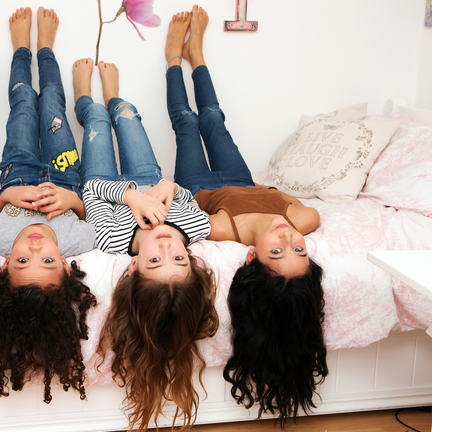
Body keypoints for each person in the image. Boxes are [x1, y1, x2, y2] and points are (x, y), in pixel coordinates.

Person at [164, 6, 327, 426]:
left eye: (279, 249)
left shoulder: (225, 230)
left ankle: (171, 60)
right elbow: (305, 210)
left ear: (252, 256)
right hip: (244, 178)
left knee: (186, 122)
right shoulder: (302, 220)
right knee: (214, 118)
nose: (287, 234)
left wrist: (187, 194)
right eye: (299, 248)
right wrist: (276, 197)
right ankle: (197, 56)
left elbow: (184, 207)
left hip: (203, 184)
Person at [72, 56, 217, 431]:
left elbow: (91, 193)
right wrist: (168, 187)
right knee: (126, 113)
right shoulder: (194, 228)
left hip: (108, 181)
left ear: (134, 267)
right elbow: (185, 198)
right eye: (179, 259)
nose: (167, 245)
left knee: (98, 119)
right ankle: (115, 96)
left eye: (157, 261)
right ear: (192, 260)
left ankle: (83, 96)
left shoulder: (111, 240)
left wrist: (132, 199)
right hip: (149, 175)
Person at [0, 7, 97, 405]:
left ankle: (20, 50)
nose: (37, 248)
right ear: (63, 266)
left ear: (5, 265)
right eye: (47, 262)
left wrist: (6, 196)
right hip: (63, 173)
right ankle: (47, 49)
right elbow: (91, 217)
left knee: (24, 102)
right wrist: (72, 200)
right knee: (54, 103)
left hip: (18, 171)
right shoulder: (75, 244)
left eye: (24, 261)